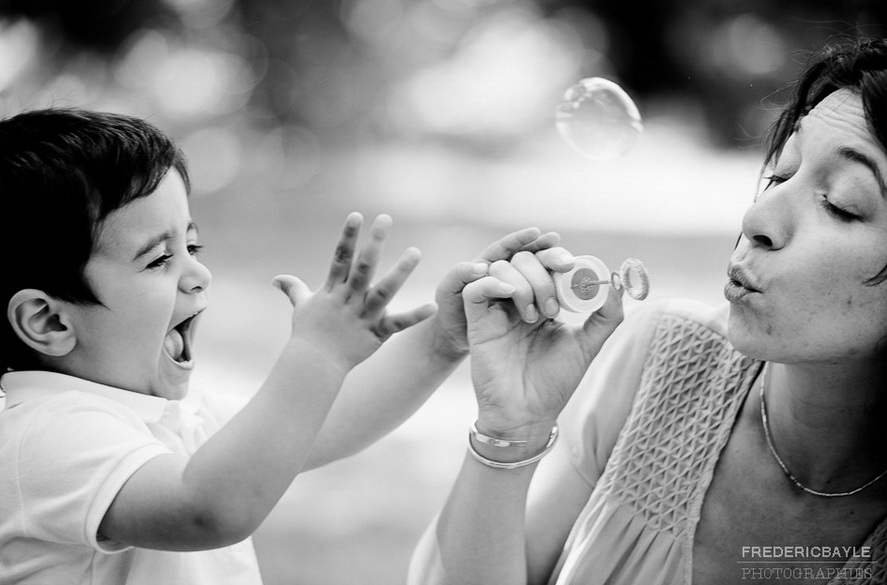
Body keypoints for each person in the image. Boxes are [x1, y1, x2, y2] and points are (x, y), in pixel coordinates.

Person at [0, 108, 569, 584]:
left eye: (193, 244)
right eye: (159, 258)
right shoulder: (40, 437)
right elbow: (208, 510)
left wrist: (444, 338)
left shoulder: (166, 415)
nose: (198, 274)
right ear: (49, 322)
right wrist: (317, 355)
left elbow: (321, 425)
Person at [409, 36, 887, 585]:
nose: (758, 216)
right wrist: (511, 428)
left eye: (840, 202)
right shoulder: (665, 360)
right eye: (781, 172)